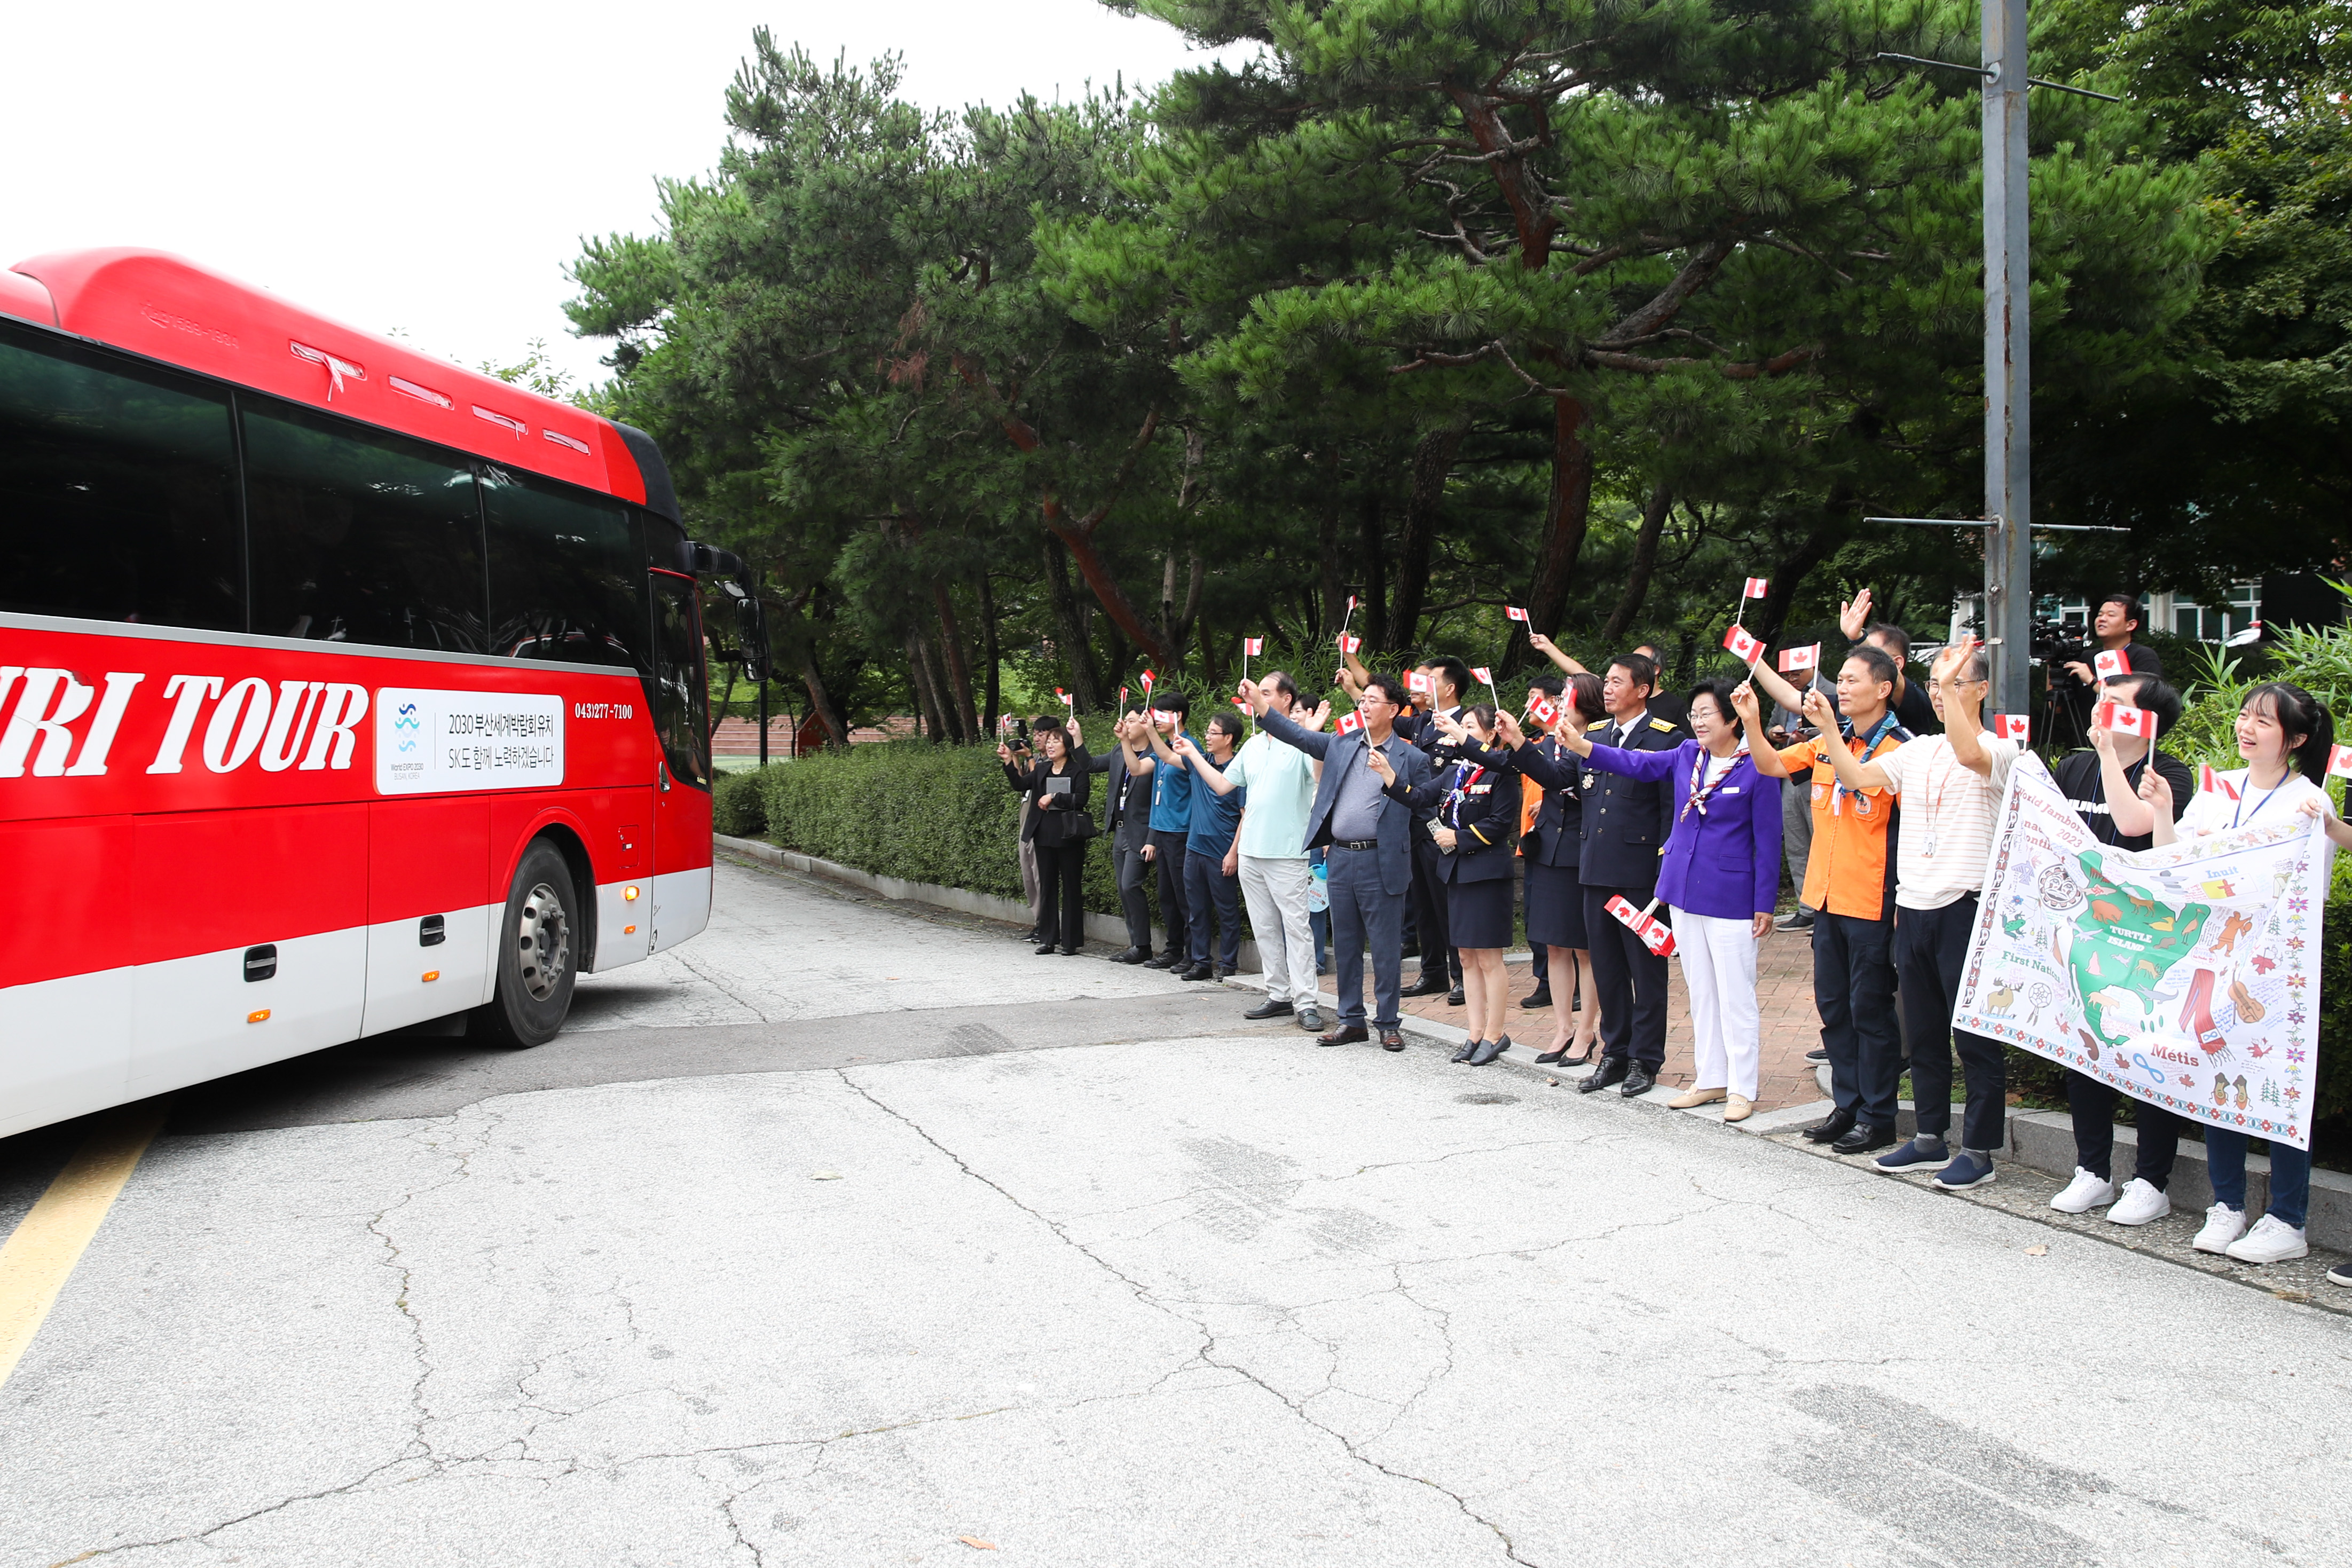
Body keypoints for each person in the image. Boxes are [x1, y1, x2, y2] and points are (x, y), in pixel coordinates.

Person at [1766, 642, 2020, 1186]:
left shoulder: (2000, 750)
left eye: (1954, 682)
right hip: (1914, 905)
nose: (1938, 689)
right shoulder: (1918, 750)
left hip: (1965, 907)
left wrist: (1949, 692)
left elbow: (1968, 754)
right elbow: (1856, 778)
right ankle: (1929, 1136)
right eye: (1934, 683)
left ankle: (1978, 1150)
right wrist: (1827, 725)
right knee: (1923, 1032)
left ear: (1979, 690)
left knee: (1972, 1038)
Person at [2146, 682, 2337, 1265]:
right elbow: (2172, 865)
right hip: (2214, 956)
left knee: (2277, 1084)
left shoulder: (2309, 799)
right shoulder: (2216, 787)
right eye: (2245, 715)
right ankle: (2227, 1204)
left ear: (2296, 740)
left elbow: (2314, 889)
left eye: (2264, 721)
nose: (2246, 727)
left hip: (2277, 968)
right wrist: (2160, 813)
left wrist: (2326, 825)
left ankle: (2287, 1219)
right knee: (2218, 1075)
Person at [1541, 679, 1781, 1116]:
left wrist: (1763, 902)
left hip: (1731, 895)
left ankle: (1742, 1086)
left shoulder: (1757, 765)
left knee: (1735, 994)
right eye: (1694, 713)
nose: (1698, 720)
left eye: (1707, 713)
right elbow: (1636, 763)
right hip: (1683, 890)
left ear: (1732, 718)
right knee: (1702, 992)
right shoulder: (1688, 754)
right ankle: (1710, 1077)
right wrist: (1583, 747)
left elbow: (1768, 839)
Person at [1744, 644, 1909, 1154]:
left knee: (1871, 1010)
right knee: (1834, 1006)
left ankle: (1878, 1115)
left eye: (1852, 680)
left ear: (1882, 689)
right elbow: (1770, 763)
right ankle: (1848, 1104)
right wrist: (1751, 719)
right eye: (1839, 678)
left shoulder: (1900, 750)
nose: (1841, 688)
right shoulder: (1821, 745)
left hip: (1872, 901)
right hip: (1826, 897)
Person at [2044, 673, 2194, 1223]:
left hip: (2144, 942)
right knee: (2084, 1050)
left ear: (2146, 722)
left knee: (2146, 1055)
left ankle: (2151, 1181)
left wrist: (2109, 754)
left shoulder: (2168, 773)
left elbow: (2133, 823)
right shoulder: (2072, 766)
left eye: (2116, 702)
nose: (2101, 707)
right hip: (2084, 935)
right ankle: (2092, 1171)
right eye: (2101, 698)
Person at [1244, 672, 1433, 1052]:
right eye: (1361, 700)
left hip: (1381, 860)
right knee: (1345, 944)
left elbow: (1422, 808)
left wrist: (1394, 845)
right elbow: (1298, 735)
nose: (1363, 705)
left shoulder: (1411, 757)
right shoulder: (1342, 744)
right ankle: (1350, 1020)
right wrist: (1261, 705)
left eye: (1372, 701)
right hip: (1342, 856)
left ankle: (1387, 1022)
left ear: (1394, 710)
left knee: (1384, 948)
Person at [1368, 704, 1523, 1064]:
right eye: (1458, 725)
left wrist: (1459, 837)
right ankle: (1474, 1032)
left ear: (1489, 735)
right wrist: (1390, 775)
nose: (1456, 731)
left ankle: (1495, 1033)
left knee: (1488, 958)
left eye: (1467, 726)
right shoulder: (1457, 771)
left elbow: (1500, 824)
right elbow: (1421, 796)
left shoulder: (1501, 771)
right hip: (1456, 873)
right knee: (1466, 956)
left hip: (1485, 872)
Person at [1571, 651, 1687, 1098]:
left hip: (1640, 873)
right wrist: (1519, 746)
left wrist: (1663, 875)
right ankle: (1613, 1053)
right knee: (1607, 968)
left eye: (1618, 681)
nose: (1608, 688)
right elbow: (1568, 781)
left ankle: (1644, 1058)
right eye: (1606, 681)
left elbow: (1668, 812)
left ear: (1642, 689)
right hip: (1596, 867)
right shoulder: (1594, 733)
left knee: (1645, 969)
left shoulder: (1664, 738)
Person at [1190, 672, 1326, 1030]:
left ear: (1285, 700)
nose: (1255, 697)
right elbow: (1222, 785)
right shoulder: (1251, 745)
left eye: (1265, 692)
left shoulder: (1302, 744)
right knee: (1265, 927)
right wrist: (1191, 753)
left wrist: (1312, 734)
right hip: (1251, 851)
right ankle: (1279, 993)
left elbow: (1320, 777)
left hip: (1286, 852)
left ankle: (1306, 1001)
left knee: (1297, 928)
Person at [1501, 672, 1604, 1065]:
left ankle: (1586, 1029)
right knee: (1554, 944)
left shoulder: (1597, 741)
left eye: (1567, 696)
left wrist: (1517, 740)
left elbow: (1559, 780)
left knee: (1584, 948)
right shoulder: (1551, 740)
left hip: (1580, 849)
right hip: (1547, 847)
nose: (1560, 701)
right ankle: (1562, 1026)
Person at [1397, 656, 1472, 1004]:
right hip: (1417, 821)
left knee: (1446, 903)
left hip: (1444, 823)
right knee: (1423, 902)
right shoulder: (1424, 722)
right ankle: (1433, 972)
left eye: (1432, 681)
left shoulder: (1465, 724)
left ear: (1450, 687)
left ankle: (1460, 975)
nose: (1424, 687)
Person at [998, 716, 1093, 955]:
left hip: (1069, 836)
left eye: (1056, 742)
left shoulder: (1078, 769)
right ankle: (1048, 938)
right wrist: (1009, 761)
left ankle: (1071, 942)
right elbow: (1020, 785)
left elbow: (1081, 799)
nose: (1050, 745)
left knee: (1071, 887)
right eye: (1048, 741)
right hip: (1044, 834)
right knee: (1048, 887)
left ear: (1067, 746)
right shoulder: (1042, 768)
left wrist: (1054, 797)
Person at [1170, 714, 1247, 981]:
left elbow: (1245, 815)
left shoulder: (1240, 770)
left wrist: (1233, 853)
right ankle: (1200, 962)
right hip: (1195, 848)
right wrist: (1151, 731)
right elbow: (1167, 757)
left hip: (1222, 851)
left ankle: (1228, 963)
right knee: (1196, 910)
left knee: (1226, 910)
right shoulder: (1201, 764)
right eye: (1207, 731)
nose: (1207, 737)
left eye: (1214, 733)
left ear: (1228, 738)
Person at [1088, 711, 1159, 964]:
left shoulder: (1157, 753)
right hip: (1120, 829)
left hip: (1142, 831)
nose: (1126, 725)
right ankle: (1135, 943)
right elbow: (1090, 765)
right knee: (1123, 888)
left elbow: (1159, 801)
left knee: (1131, 884)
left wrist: (1153, 837)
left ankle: (1143, 945)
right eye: (1126, 720)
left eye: (1131, 721)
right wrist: (1075, 738)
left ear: (1144, 723)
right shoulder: (1120, 751)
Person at [1139, 691, 1199, 969]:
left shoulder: (1189, 746)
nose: (1156, 719)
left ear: (1178, 716)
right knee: (1166, 894)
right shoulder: (1162, 747)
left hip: (1182, 830)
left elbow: (1169, 757)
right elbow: (1138, 770)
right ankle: (1173, 948)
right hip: (1162, 830)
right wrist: (1128, 740)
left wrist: (1150, 732)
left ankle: (1192, 952)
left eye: (1161, 715)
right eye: (1154, 714)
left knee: (1184, 894)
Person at [1837, 589, 1936, 735]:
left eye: (1871, 651)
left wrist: (1859, 639)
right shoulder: (1847, 698)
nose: (1843, 689)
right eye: (1841, 681)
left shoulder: (1915, 703)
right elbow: (1793, 698)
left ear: (1897, 663)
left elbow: (1894, 679)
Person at [2062, 592, 2165, 691]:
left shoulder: (2143, 656)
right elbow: (2056, 707)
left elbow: (2139, 702)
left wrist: (2091, 681)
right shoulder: (2084, 658)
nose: (2102, 619)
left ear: (2131, 625)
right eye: (2100, 615)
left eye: (2111, 615)